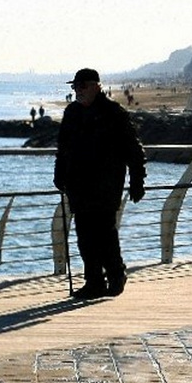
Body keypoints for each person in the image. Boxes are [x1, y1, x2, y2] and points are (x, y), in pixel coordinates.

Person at [54, 68, 147, 299]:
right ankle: (94, 281)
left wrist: (137, 180)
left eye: (82, 86)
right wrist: (59, 174)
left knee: (105, 232)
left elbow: (133, 149)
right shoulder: (72, 112)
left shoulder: (113, 112)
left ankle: (116, 275)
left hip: (106, 183)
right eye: (75, 87)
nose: (78, 91)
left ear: (97, 86)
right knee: (84, 235)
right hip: (78, 184)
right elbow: (63, 148)